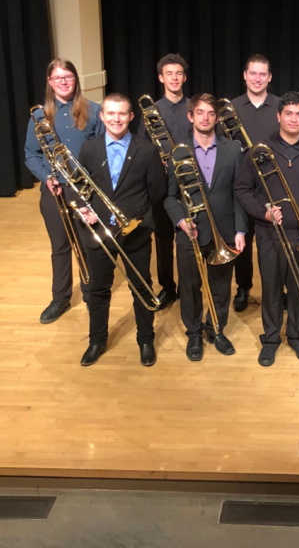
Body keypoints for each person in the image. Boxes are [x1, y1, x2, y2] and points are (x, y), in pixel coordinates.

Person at [234, 91, 299, 367]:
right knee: (272, 290)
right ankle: (272, 339)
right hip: (269, 235)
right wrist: (262, 212)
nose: (294, 119)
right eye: (288, 113)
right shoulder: (260, 150)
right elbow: (242, 190)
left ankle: (297, 337)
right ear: (278, 116)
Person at [76, 93, 167, 367]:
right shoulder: (89, 149)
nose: (116, 119)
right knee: (99, 289)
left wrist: (136, 214)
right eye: (110, 114)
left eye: (122, 114)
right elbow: (82, 186)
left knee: (141, 288)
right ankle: (97, 340)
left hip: (135, 232)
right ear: (102, 117)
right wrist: (84, 207)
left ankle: (146, 340)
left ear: (131, 117)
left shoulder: (147, 150)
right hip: (100, 231)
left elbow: (157, 191)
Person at [164, 94, 248, 362]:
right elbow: (169, 197)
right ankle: (194, 334)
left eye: (211, 113)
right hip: (191, 232)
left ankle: (216, 330)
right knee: (189, 287)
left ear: (218, 117)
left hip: (224, 232)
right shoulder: (178, 152)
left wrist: (240, 230)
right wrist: (180, 221)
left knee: (221, 287)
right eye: (199, 112)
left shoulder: (233, 150)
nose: (205, 118)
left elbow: (240, 193)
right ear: (191, 116)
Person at [24, 58, 105, 324]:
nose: (63, 82)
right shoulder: (39, 115)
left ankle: (91, 292)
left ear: (75, 79)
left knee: (87, 244)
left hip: (84, 190)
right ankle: (60, 298)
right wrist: (47, 177)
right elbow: (31, 154)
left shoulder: (93, 111)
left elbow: (102, 153)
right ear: (50, 82)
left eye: (68, 77)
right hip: (54, 190)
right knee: (59, 247)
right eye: (57, 78)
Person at [137, 53, 193, 309]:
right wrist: (155, 162)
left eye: (178, 73)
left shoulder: (194, 107)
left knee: (190, 235)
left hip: (189, 183)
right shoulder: (151, 111)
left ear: (184, 76)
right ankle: (167, 287)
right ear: (161, 77)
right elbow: (141, 147)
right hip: (161, 184)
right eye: (169, 73)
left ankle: (188, 284)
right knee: (162, 238)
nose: (174, 78)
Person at [229, 54, 280, 313]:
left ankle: (277, 289)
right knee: (243, 239)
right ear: (245, 75)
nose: (257, 78)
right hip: (243, 184)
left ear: (269, 77)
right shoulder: (232, 108)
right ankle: (243, 286)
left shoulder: (281, 106)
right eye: (253, 73)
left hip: (274, 183)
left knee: (274, 241)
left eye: (263, 74)